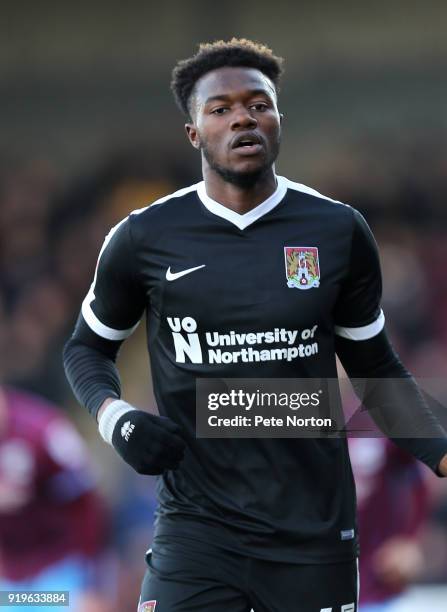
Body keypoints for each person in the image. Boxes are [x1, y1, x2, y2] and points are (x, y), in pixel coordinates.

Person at [63, 39, 447, 612]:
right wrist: (116, 418)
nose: (243, 116)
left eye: (258, 104)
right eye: (220, 109)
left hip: (314, 537)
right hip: (197, 531)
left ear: (278, 120)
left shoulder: (338, 231)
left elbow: (374, 372)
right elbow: (86, 350)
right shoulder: (144, 238)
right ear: (194, 133)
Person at [0, 386, 111, 612]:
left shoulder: (43, 429)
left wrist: (95, 583)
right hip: (8, 577)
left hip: (55, 573)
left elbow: (86, 501)